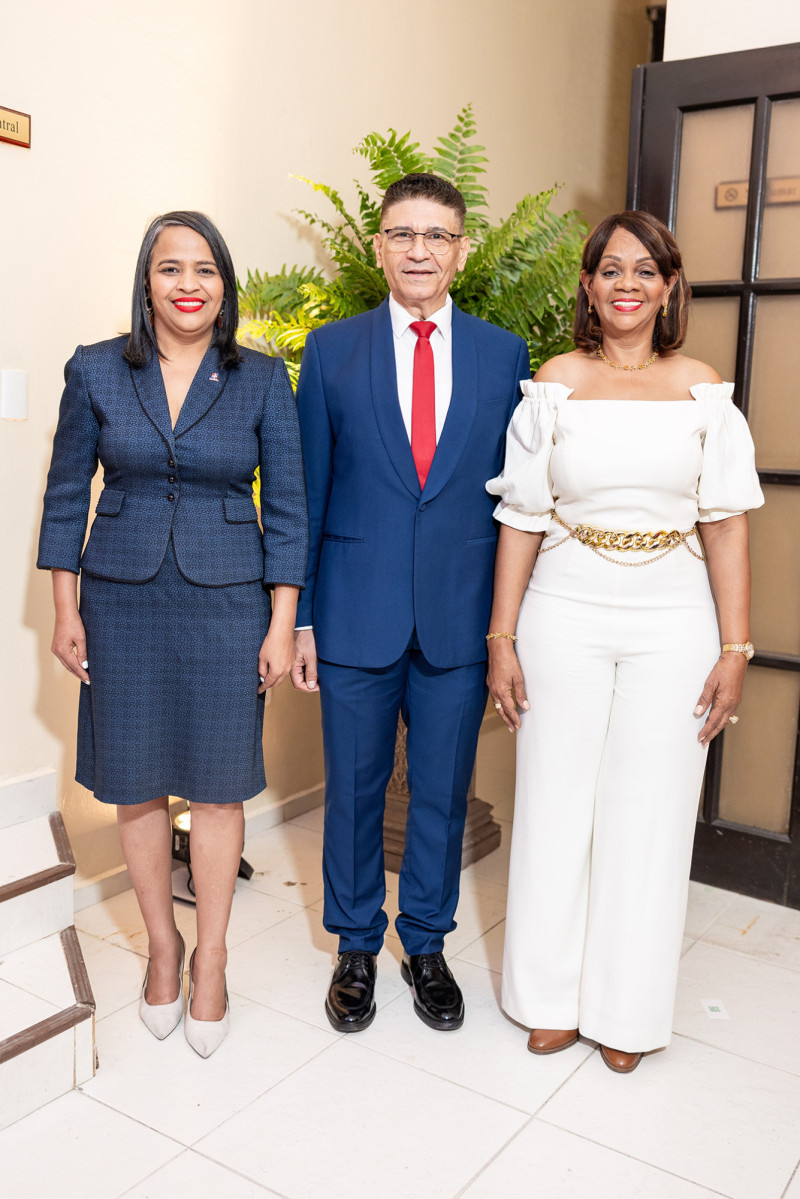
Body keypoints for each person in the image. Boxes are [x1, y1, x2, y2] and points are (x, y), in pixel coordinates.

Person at [486, 210, 764, 1073]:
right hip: (562, 608)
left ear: (670, 287)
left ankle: (627, 1010)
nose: (628, 284)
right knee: (556, 795)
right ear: (588, 285)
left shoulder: (704, 391)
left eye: (646, 270)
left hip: (673, 616)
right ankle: (547, 998)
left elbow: (726, 528)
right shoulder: (555, 383)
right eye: (611, 269)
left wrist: (736, 647)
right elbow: (521, 519)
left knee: (650, 807)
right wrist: (503, 634)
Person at [38, 211, 307, 1057]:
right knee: (137, 782)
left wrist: (282, 620)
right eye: (170, 268)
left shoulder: (262, 379)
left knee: (221, 786)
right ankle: (164, 945)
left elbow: (291, 510)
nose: (188, 283)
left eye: (205, 269)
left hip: (229, 601)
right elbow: (63, 495)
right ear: (146, 281)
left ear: (225, 285)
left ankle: (215, 955)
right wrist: (66, 606)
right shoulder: (95, 370)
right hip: (120, 599)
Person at [291, 172, 530, 1033]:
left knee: (439, 789)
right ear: (380, 248)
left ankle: (425, 942)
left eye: (437, 236)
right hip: (354, 611)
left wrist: (509, 624)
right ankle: (355, 945)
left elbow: (519, 504)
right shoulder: (331, 350)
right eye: (403, 235)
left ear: (460, 250)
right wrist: (305, 617)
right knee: (352, 790)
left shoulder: (506, 357)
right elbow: (305, 497)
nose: (420, 250)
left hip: (461, 616)